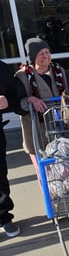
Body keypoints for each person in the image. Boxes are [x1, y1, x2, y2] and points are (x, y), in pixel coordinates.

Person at [15, 38, 69, 182]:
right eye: (40, 53)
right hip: (36, 132)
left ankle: (63, 199)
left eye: (47, 52)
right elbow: (17, 104)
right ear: (33, 57)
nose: (45, 56)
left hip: (60, 130)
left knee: (65, 169)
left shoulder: (59, 71)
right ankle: (50, 202)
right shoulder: (22, 76)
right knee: (43, 172)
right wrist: (30, 99)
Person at [0, 60, 20, 237]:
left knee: (0, 175)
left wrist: (8, 101)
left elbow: (15, 97)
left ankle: (4, 217)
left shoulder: (3, 69)